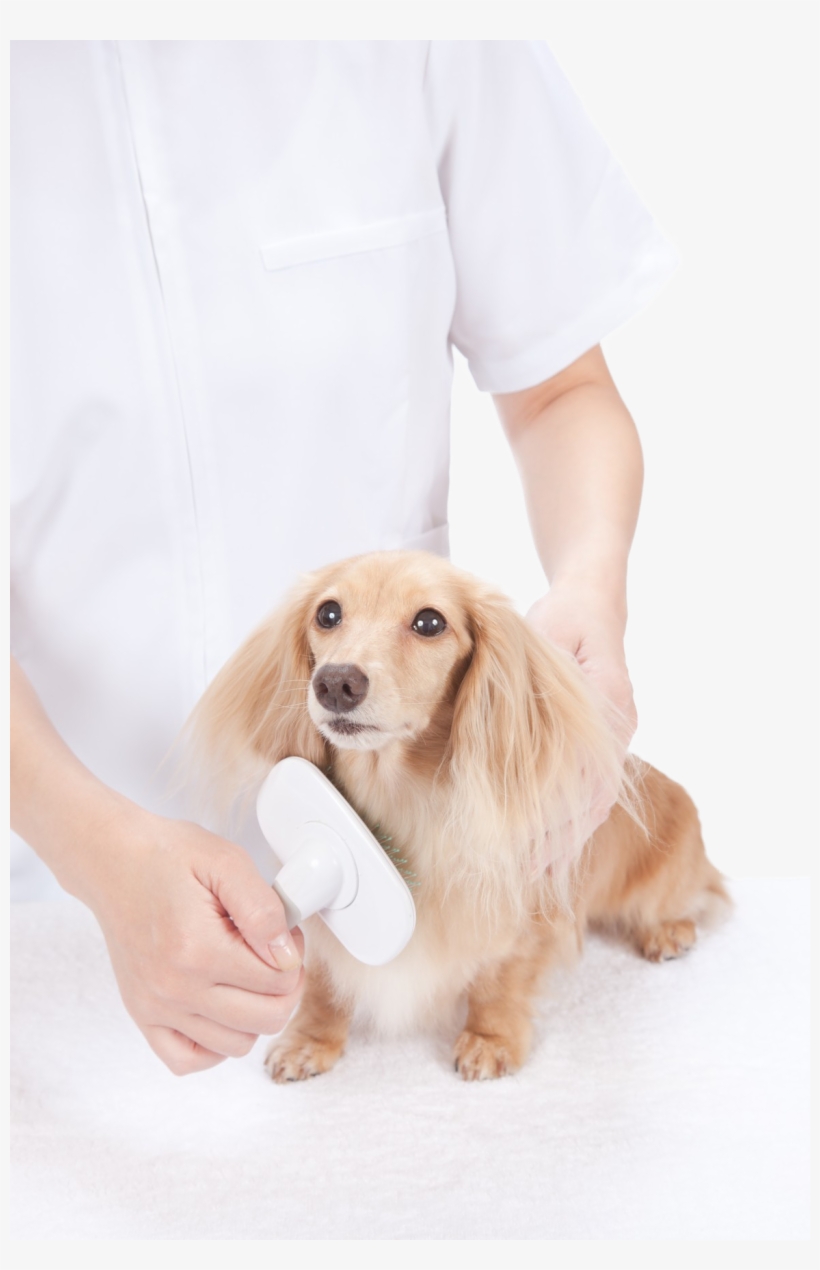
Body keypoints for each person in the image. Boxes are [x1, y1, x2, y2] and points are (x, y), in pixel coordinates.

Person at [10, 40, 676, 1074]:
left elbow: (558, 391)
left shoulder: (430, 35)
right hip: (44, 912)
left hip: (419, 909)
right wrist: (89, 847)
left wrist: (590, 589)